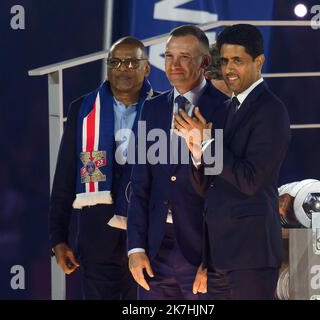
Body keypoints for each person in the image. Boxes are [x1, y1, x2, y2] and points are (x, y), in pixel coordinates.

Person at [175, 24, 291, 299]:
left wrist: (207, 144)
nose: (228, 69)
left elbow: (250, 181)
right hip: (218, 256)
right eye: (225, 61)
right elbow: (208, 188)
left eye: (237, 61)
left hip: (252, 255)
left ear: (259, 62)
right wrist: (196, 153)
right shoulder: (226, 110)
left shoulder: (272, 111)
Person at [49, 36, 156, 299]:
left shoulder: (163, 109)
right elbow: (64, 178)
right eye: (116, 62)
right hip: (98, 239)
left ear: (147, 68)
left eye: (132, 62)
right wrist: (58, 239)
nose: (123, 68)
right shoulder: (83, 112)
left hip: (149, 240)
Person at [127, 25, 229, 300]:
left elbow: (226, 194)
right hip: (154, 251)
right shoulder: (151, 108)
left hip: (200, 255)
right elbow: (139, 186)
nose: (174, 64)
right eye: (168, 56)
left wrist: (213, 262)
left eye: (184, 57)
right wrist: (135, 249)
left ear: (205, 62)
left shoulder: (225, 109)